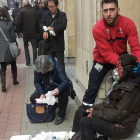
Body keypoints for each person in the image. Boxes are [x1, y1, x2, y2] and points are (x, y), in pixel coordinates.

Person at [82, 0, 140, 109]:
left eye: (112, 10)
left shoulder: (128, 24)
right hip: (102, 61)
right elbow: (107, 54)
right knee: (93, 82)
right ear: (102, 12)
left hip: (121, 57)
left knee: (134, 79)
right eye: (105, 10)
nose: (108, 13)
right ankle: (85, 108)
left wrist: (138, 63)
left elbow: (135, 48)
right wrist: (123, 65)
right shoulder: (97, 29)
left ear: (118, 10)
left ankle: (131, 109)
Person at [72, 54, 140, 140]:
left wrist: (95, 113)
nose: (115, 71)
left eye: (118, 69)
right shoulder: (120, 83)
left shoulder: (132, 91)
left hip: (122, 127)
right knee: (80, 112)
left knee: (85, 122)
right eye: (115, 67)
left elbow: (118, 115)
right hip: (114, 118)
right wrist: (93, 108)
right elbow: (109, 104)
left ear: (127, 71)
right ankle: (76, 137)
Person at [30, 55, 69, 125]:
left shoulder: (57, 65)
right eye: (40, 71)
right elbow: (37, 82)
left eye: (44, 71)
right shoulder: (37, 67)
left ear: (48, 67)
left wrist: (58, 88)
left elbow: (65, 81)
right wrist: (42, 93)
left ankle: (61, 114)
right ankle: (52, 106)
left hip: (58, 85)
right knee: (33, 98)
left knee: (64, 94)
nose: (42, 73)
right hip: (46, 87)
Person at [40, 0, 67, 68]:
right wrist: (45, 30)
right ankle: (51, 78)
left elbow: (63, 25)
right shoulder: (46, 14)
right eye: (49, 7)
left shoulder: (62, 15)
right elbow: (41, 23)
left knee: (60, 65)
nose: (50, 9)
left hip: (58, 45)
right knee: (50, 66)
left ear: (57, 6)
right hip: (48, 45)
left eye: (52, 7)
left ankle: (61, 78)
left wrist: (53, 28)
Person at [0, 8, 19, 92]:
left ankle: (3, 85)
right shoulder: (10, 23)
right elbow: (13, 37)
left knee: (3, 66)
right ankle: (14, 80)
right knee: (13, 63)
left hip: (0, 47)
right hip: (9, 46)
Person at [16, 0, 40, 66]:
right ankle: (35, 61)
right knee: (34, 47)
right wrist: (38, 32)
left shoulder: (21, 11)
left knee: (26, 46)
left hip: (25, 32)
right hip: (34, 31)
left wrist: (20, 31)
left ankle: (28, 61)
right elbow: (37, 23)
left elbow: (18, 22)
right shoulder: (34, 11)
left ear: (23, 4)